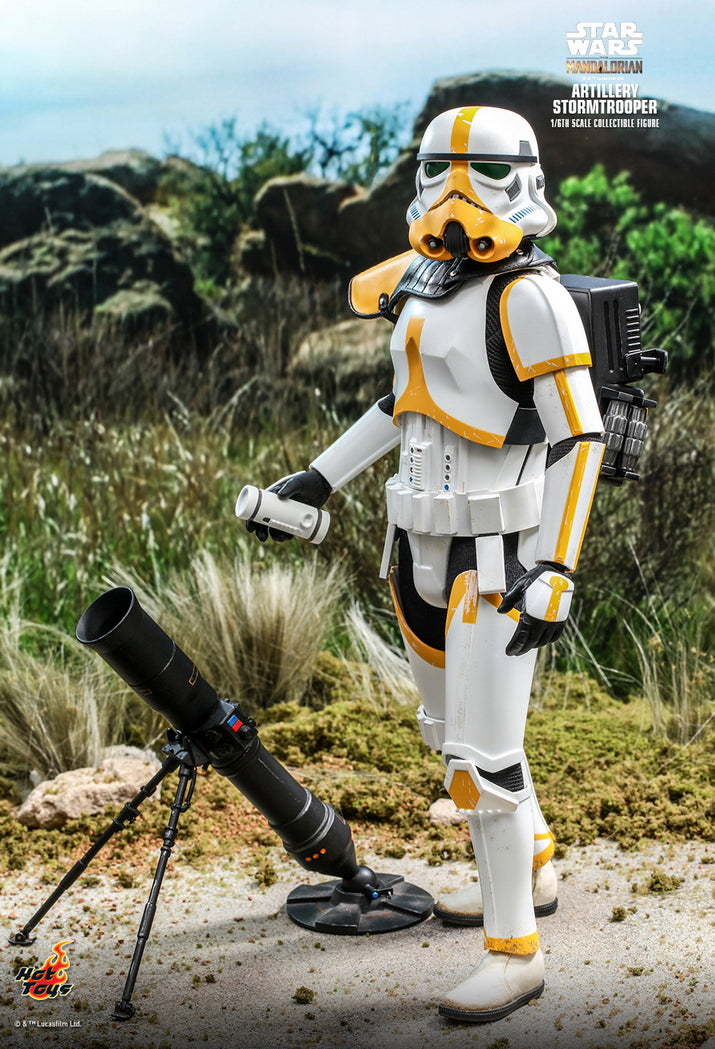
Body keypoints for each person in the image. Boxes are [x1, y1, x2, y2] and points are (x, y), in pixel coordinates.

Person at [246, 106, 605, 1023]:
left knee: (483, 762)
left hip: (497, 558)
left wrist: (555, 565)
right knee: (451, 736)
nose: (454, 194)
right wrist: (318, 479)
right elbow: (400, 403)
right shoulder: (422, 285)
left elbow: (579, 437)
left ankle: (515, 952)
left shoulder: (531, 299)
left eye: (478, 173)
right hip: (413, 548)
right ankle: (532, 863)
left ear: (521, 180)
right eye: (438, 171)